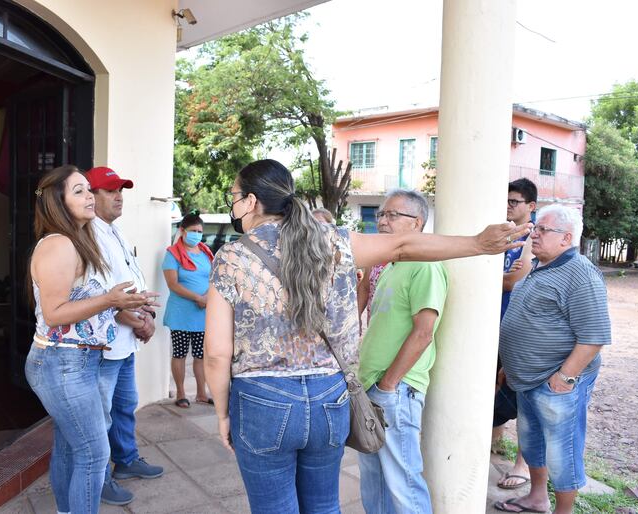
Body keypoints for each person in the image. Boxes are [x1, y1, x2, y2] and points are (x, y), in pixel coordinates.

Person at [203, 159, 531, 514]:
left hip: (261, 400)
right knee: (324, 505)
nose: (232, 203)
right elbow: (403, 246)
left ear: (250, 201)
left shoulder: (232, 256)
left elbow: (217, 353)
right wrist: (477, 244)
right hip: (330, 394)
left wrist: (223, 413)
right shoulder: (335, 242)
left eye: (233, 195)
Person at [24, 165, 153, 514]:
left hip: (77, 360)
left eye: (88, 190)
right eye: (79, 191)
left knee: (71, 447)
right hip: (61, 362)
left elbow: (86, 305)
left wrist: (128, 303)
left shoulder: (80, 241)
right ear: (57, 202)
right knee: (95, 454)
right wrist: (111, 300)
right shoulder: (58, 244)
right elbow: (54, 314)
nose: (89, 197)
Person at [495, 204, 611, 514]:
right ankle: (537, 497)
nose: (535, 233)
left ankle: (564, 511)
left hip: (557, 381)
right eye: (536, 228)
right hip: (529, 378)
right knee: (532, 443)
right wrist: (511, 362)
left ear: (567, 238)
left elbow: (595, 335)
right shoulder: (542, 266)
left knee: (562, 450)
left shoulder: (580, 273)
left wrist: (565, 377)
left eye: (544, 230)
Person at [357, 189, 447, 514]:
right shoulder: (391, 265)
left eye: (393, 215)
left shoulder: (426, 265)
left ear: (417, 223)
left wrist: (388, 385)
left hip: (397, 391)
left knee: (403, 485)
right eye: (381, 214)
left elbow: (424, 332)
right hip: (373, 388)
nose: (382, 220)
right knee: (375, 484)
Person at [86, 166, 165, 507]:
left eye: (120, 190)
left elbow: (130, 282)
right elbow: (98, 294)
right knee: (100, 415)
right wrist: (137, 321)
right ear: (91, 196)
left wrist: (146, 316)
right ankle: (99, 479)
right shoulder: (88, 235)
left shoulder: (113, 230)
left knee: (124, 407)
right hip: (105, 344)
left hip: (125, 340)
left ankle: (127, 461)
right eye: (109, 190)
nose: (118, 196)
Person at [493, 178, 536, 490]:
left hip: (521, 331)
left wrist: (491, 275)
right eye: (506, 200)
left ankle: (523, 464)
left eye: (515, 201)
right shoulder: (506, 233)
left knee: (524, 396)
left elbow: (514, 282)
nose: (508, 206)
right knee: (493, 387)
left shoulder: (533, 236)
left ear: (530, 206)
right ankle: (494, 442)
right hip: (495, 325)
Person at [163, 211, 214, 408]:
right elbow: (173, 284)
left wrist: (207, 298)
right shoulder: (172, 254)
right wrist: (197, 298)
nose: (197, 235)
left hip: (202, 314)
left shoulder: (205, 252)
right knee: (180, 354)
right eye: (193, 231)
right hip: (181, 315)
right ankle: (181, 394)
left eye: (200, 231)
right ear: (182, 231)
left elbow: (213, 278)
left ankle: (202, 393)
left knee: (201, 356)